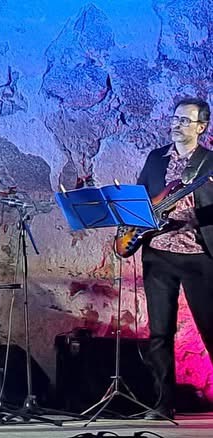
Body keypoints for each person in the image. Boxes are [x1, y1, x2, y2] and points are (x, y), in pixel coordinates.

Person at [134, 97, 213, 420]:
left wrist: (197, 214)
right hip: (158, 254)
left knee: (210, 327)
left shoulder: (209, 163)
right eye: (175, 118)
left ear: (201, 127)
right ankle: (163, 403)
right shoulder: (156, 158)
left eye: (185, 120)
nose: (177, 125)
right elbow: (140, 198)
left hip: (198, 255)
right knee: (159, 333)